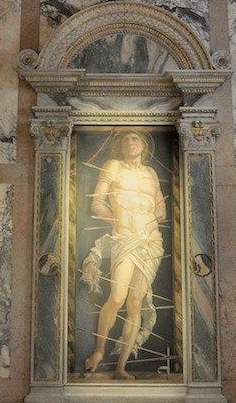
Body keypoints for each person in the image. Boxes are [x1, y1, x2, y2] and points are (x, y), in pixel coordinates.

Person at [81, 130, 166, 379]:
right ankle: (99, 351)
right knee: (117, 297)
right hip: (124, 238)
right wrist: (118, 218)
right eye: (127, 138)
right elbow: (96, 202)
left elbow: (161, 210)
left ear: (144, 146)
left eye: (136, 138)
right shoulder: (113, 166)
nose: (132, 141)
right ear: (121, 145)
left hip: (150, 241)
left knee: (136, 303)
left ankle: (121, 367)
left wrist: (149, 219)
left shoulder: (151, 173)